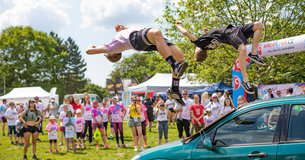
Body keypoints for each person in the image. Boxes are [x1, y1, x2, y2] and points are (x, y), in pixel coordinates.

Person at [86, 24, 188, 106]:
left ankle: (174, 89)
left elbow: (131, 31)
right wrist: (92, 46)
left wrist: (123, 28)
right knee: (156, 33)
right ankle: (174, 66)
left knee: (179, 57)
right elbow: (88, 51)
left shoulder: (119, 41)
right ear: (111, 53)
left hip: (145, 38)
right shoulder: (111, 47)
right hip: (137, 39)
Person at [175, 22, 264, 94]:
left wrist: (208, 33)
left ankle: (253, 53)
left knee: (258, 25)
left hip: (234, 29)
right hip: (229, 33)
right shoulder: (199, 43)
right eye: (195, 51)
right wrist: (178, 26)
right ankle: (245, 80)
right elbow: (185, 33)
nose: (195, 49)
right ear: (198, 51)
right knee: (242, 49)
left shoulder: (210, 47)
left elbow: (216, 38)